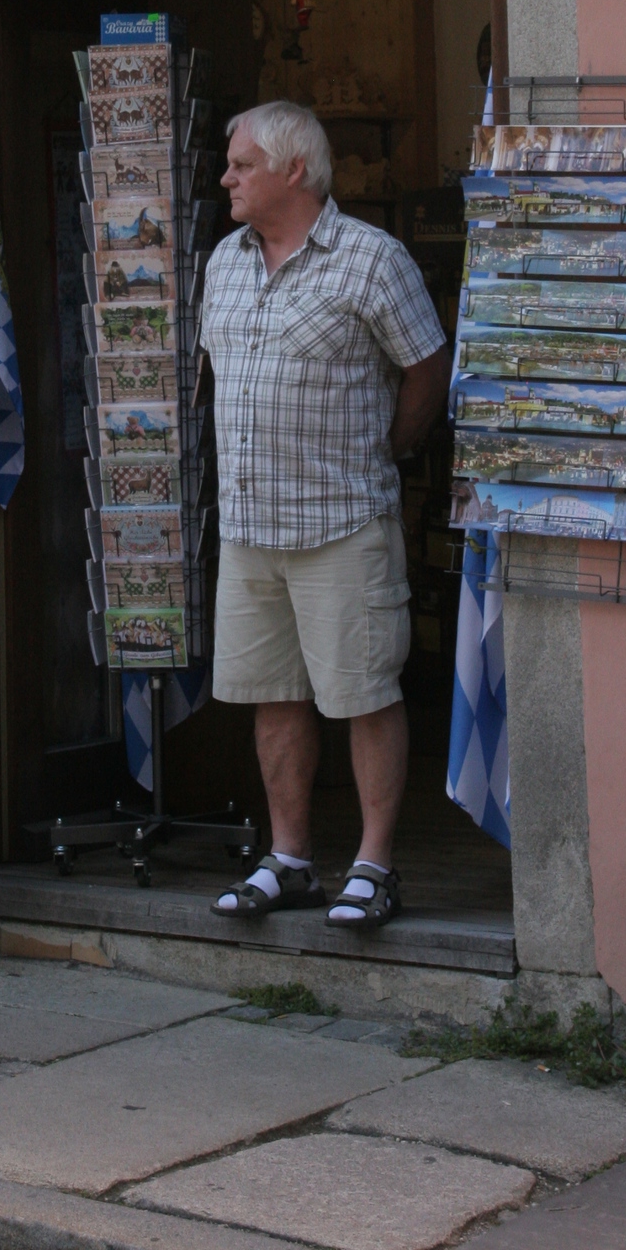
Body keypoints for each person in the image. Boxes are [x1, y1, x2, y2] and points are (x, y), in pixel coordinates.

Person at [202, 101, 449, 929]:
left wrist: (391, 449)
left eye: (242, 165)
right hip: (249, 528)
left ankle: (374, 866)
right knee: (272, 696)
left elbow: (427, 367)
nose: (226, 179)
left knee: (365, 693)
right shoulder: (225, 262)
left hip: (341, 520)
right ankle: (291, 860)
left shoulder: (372, 260)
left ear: (294, 170)